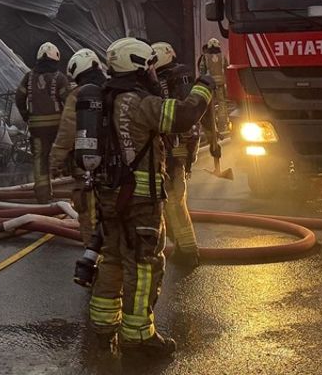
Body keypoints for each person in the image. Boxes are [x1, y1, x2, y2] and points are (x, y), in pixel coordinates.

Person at [89, 37, 214, 357]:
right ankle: (138, 335)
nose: (153, 74)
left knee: (112, 259)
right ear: (139, 66)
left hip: (107, 197)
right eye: (149, 67)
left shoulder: (101, 98)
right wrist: (204, 86)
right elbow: (183, 116)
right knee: (144, 265)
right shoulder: (139, 103)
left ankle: (103, 329)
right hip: (140, 202)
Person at [49, 48, 107, 248]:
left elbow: (67, 132)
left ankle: (94, 258)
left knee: (89, 217)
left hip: (86, 170)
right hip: (116, 169)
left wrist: (55, 163)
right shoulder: (113, 90)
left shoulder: (78, 95)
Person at [151, 42, 201, 266]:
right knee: (175, 201)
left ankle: (188, 252)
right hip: (175, 147)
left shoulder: (172, 79)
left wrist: (182, 154)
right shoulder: (177, 77)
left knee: (173, 201)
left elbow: (178, 119)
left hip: (174, 148)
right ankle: (184, 247)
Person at [16, 42, 71, 202]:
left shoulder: (29, 76)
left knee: (40, 158)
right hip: (57, 127)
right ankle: (71, 187)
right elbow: (69, 101)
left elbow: (19, 98)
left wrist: (26, 115)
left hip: (37, 127)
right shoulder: (60, 77)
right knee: (65, 152)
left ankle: (43, 195)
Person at [196, 37, 229, 172]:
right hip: (221, 84)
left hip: (210, 86)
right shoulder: (222, 56)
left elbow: (202, 71)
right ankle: (222, 124)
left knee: (210, 108)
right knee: (222, 105)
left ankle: (214, 124)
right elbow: (226, 68)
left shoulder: (205, 57)